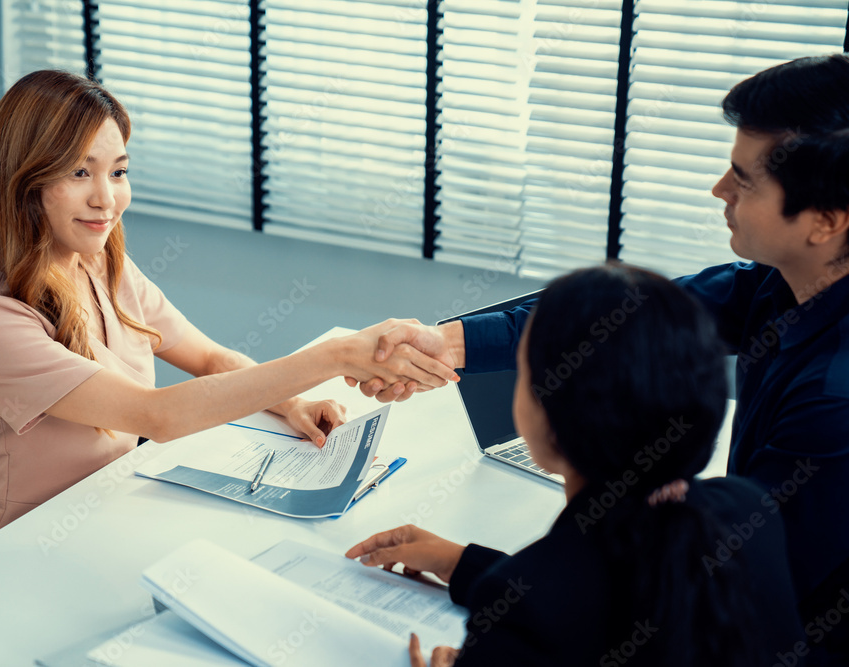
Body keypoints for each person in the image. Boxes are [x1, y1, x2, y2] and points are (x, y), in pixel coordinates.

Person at [355, 53, 849, 662]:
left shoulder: (834, 403)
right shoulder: (778, 285)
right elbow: (616, 315)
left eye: (743, 181)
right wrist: (449, 343)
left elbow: (716, 602)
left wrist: (513, 601)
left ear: (825, 220)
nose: (718, 189)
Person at [0, 70, 457, 566]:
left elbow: (208, 357)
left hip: (102, 519)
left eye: (118, 171)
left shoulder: (97, 262)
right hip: (8, 557)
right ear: (25, 180)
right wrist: (338, 356)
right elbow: (156, 416)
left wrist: (292, 403)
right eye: (79, 172)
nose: (106, 198)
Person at [347, 264, 804, 666]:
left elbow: (570, 606)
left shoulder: (535, 614)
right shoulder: (748, 511)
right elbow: (617, 606)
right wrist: (464, 564)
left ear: (550, 425)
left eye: (524, 374)